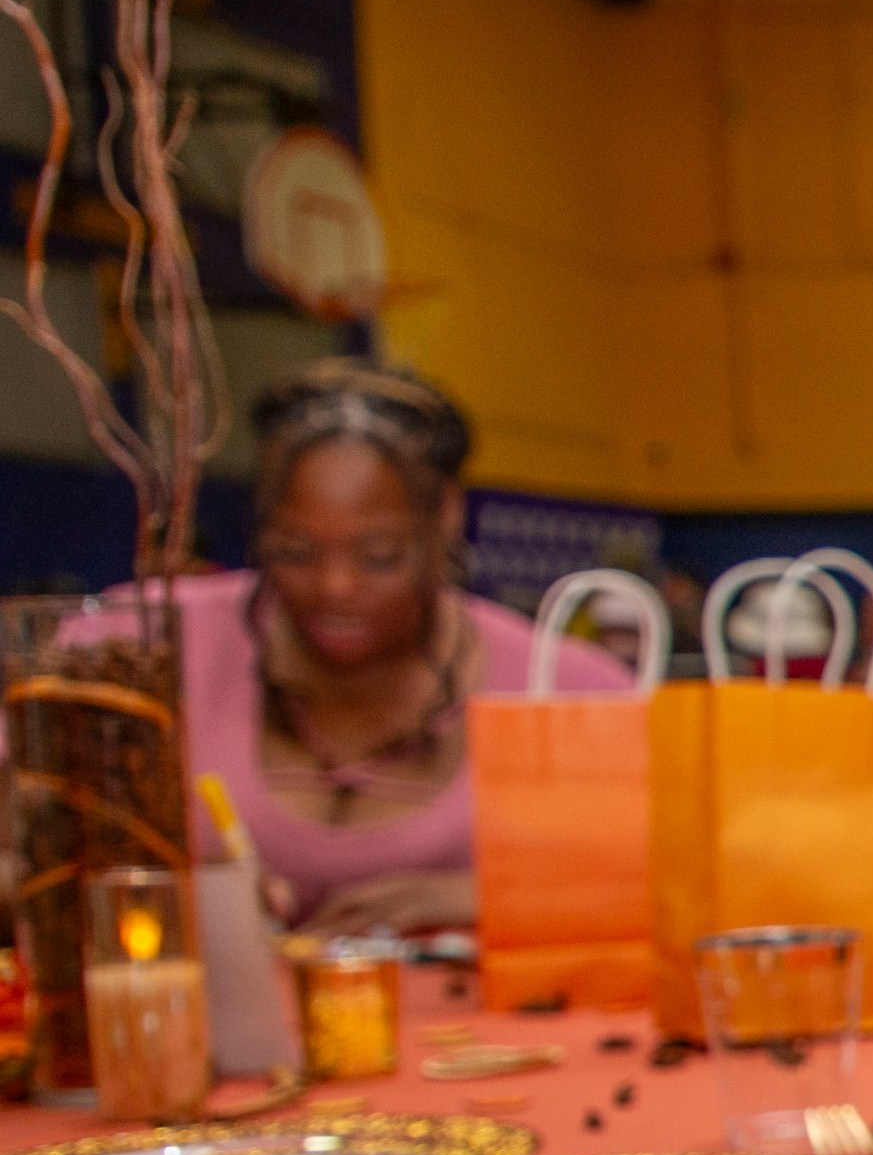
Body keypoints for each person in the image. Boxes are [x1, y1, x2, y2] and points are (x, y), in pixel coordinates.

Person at [168, 359, 628, 935]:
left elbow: (678, 895)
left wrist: (485, 897)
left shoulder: (570, 692)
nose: (337, 586)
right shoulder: (149, 644)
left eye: (381, 554)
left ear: (447, 516)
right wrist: (164, 891)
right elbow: (25, 865)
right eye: (295, 550)